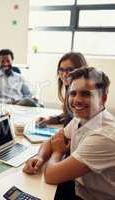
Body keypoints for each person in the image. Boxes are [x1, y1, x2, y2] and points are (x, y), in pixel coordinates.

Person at [23, 67, 115, 200]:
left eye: (86, 94)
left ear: (103, 98)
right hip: (79, 187)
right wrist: (40, 157)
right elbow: (52, 141)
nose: (76, 100)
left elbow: (51, 176)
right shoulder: (81, 117)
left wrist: (58, 152)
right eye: (73, 93)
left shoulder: (104, 135)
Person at [37, 52, 87, 127]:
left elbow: (77, 121)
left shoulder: (85, 92)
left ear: (80, 70)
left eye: (69, 70)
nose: (64, 74)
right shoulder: (70, 87)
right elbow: (69, 114)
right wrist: (52, 119)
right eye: (61, 70)